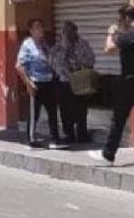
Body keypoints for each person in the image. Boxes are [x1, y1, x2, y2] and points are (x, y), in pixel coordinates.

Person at [90, 5, 134, 164]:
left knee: (118, 119)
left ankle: (108, 153)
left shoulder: (129, 35)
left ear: (127, 18)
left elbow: (108, 49)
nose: (120, 22)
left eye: (120, 19)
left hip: (129, 82)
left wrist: (111, 33)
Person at [15, 19, 63, 150]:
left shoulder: (44, 44)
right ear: (31, 30)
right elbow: (19, 66)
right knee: (34, 113)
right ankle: (31, 139)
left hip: (49, 82)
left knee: (52, 112)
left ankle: (55, 138)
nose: (40, 30)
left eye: (41, 27)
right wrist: (28, 82)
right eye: (36, 27)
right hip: (36, 82)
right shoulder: (27, 45)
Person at [51, 21, 96, 144]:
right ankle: (69, 134)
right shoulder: (59, 47)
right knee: (65, 110)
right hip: (65, 82)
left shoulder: (82, 44)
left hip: (80, 80)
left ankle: (82, 134)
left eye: (73, 30)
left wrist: (80, 64)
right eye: (68, 31)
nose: (71, 33)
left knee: (81, 109)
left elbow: (91, 59)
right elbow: (55, 64)